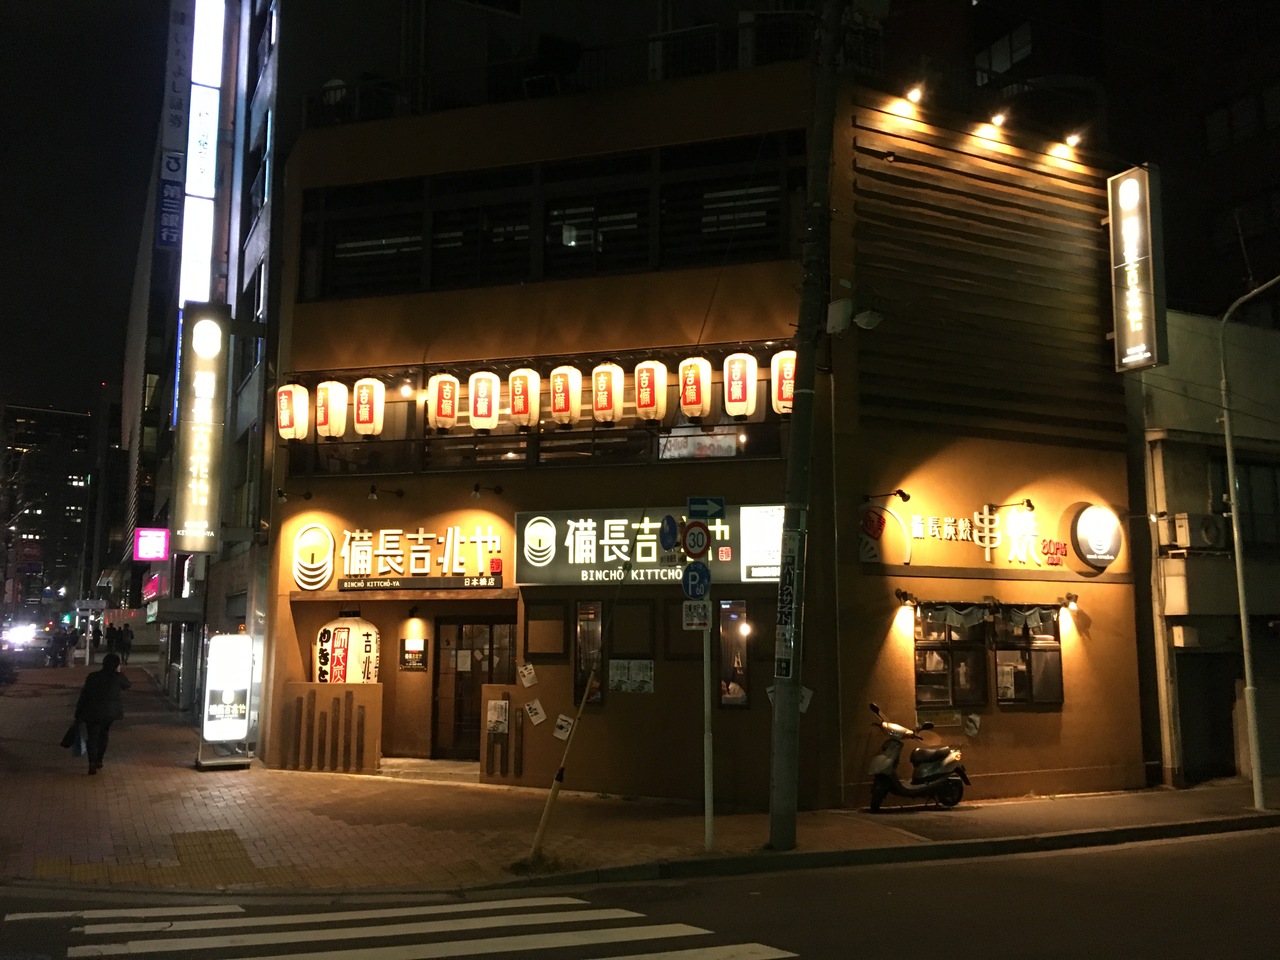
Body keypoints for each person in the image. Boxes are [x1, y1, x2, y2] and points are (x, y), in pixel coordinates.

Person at [74, 652, 131, 775]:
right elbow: (127, 685)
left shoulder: (93, 676)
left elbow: (84, 694)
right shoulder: (118, 677)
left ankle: (91, 762)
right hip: (109, 712)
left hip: (91, 710)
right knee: (103, 734)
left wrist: (78, 711)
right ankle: (99, 760)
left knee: (92, 736)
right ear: (117, 665)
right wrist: (119, 672)